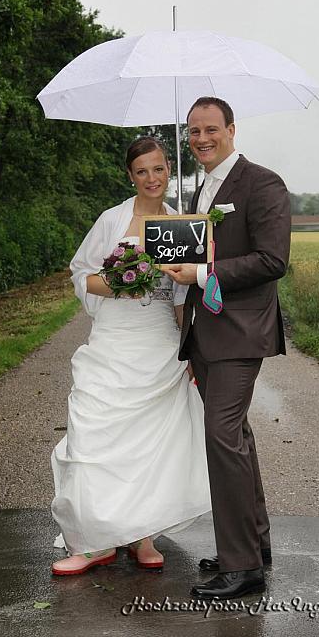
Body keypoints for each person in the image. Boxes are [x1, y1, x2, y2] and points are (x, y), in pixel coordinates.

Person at [50, 136, 210, 575]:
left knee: (149, 445)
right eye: (142, 171)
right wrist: (122, 280)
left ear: (168, 171)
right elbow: (83, 274)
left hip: (158, 343)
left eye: (159, 169)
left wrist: (191, 350)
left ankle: (143, 535)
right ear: (130, 176)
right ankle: (88, 542)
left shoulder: (182, 225)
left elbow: (182, 297)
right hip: (115, 339)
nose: (152, 178)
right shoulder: (112, 219)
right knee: (94, 433)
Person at [166, 97, 291, 599]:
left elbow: (271, 260)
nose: (201, 139)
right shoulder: (199, 187)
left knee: (221, 436)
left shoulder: (262, 183)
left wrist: (202, 272)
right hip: (203, 330)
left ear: (232, 129)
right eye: (193, 131)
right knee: (235, 435)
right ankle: (253, 546)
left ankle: (242, 570)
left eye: (210, 129)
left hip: (241, 331)